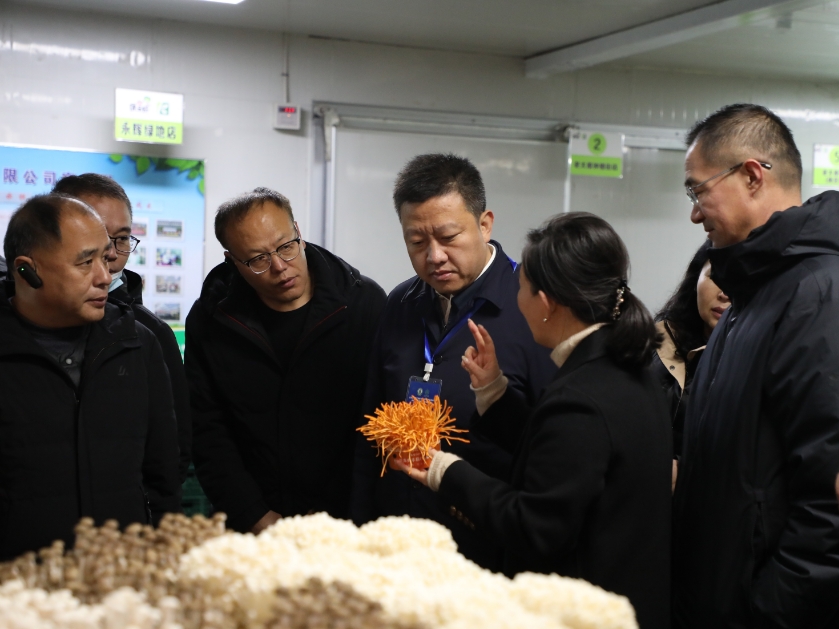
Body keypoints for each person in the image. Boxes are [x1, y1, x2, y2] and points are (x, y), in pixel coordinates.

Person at [393, 212, 672, 629]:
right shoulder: (625, 368)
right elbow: (566, 458)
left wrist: (444, 471)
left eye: (521, 286)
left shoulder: (582, 396)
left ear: (545, 304)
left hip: (584, 610)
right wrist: (494, 392)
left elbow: (534, 527)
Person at [674, 103, 839, 628]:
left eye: (698, 191)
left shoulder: (817, 295)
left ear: (750, 175)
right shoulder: (752, 293)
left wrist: (769, 611)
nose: (695, 213)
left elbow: (829, 502)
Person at [351, 153, 556, 570]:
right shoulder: (401, 303)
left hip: (485, 549)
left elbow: (551, 450)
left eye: (448, 237)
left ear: (485, 224)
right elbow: (368, 428)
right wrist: (359, 529)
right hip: (398, 545)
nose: (434, 256)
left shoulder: (533, 306)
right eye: (417, 242)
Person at [186, 188, 386, 534]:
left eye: (286, 246)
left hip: (347, 522)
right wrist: (253, 515)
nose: (279, 266)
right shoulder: (211, 320)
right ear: (231, 260)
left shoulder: (363, 303)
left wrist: (345, 515)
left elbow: (377, 419)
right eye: (258, 259)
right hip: (252, 521)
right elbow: (207, 428)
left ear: (298, 231)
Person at [0, 194, 181, 560]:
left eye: (104, 257)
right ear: (26, 270)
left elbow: (163, 472)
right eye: (85, 263)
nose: (104, 276)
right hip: (21, 593)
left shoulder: (136, 344)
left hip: (121, 580)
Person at [52, 174, 192, 482]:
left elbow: (172, 453)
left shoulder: (150, 334)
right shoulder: (17, 324)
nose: (112, 253)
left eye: (123, 239)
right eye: (98, 237)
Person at [654, 240, 730, 458]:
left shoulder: (753, 359)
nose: (724, 293)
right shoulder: (655, 342)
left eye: (735, 280)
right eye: (714, 276)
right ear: (696, 278)